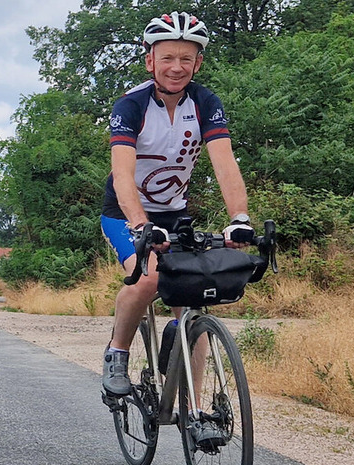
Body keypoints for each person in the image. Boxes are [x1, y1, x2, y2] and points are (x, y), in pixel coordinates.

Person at [99, 13, 255, 442]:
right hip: (124, 213)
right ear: (150, 61)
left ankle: (194, 410)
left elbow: (224, 163)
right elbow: (122, 175)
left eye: (186, 58)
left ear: (197, 63)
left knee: (194, 302)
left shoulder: (205, 102)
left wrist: (239, 219)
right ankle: (116, 353)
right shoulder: (131, 105)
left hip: (176, 215)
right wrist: (140, 225)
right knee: (148, 279)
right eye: (167, 57)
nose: (176, 66)